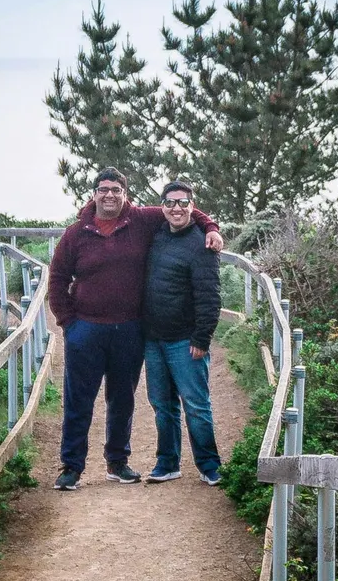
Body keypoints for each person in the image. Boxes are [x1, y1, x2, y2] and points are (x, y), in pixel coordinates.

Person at [47, 167, 223, 491]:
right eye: (104, 189)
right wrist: (68, 323)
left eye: (116, 189)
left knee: (122, 399)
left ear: (125, 193)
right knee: (78, 401)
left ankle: (117, 462)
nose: (110, 195)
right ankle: (71, 467)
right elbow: (57, 279)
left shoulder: (142, 219)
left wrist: (210, 227)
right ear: (95, 193)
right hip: (85, 328)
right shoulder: (76, 233)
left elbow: (184, 209)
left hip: (129, 329)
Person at [141, 180, 223, 485]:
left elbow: (210, 297)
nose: (176, 208)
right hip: (154, 339)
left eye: (183, 203)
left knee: (196, 405)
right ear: (162, 205)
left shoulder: (202, 245)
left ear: (193, 206)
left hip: (185, 342)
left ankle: (209, 464)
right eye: (170, 202)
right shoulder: (157, 234)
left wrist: (202, 338)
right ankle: (167, 463)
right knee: (162, 405)